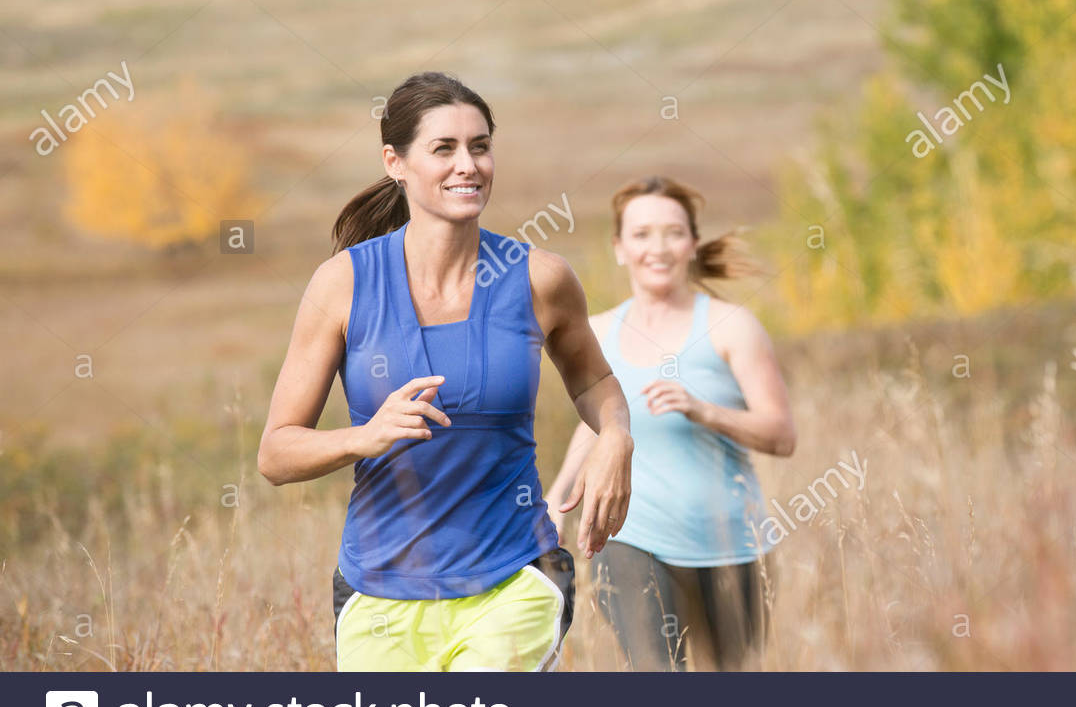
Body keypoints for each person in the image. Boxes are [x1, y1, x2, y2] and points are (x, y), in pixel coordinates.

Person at [258, 71, 634, 671]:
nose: (469, 165)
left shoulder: (540, 278)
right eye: (445, 148)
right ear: (395, 162)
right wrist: (366, 436)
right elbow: (276, 455)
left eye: (480, 146)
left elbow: (594, 383)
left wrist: (615, 437)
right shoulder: (343, 286)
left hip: (513, 578)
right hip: (380, 590)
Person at [544, 176, 796, 671]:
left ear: (693, 244)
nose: (656, 248)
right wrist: (556, 498)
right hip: (632, 541)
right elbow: (594, 425)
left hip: (732, 545)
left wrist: (703, 410)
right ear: (619, 248)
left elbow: (781, 434)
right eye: (641, 235)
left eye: (672, 233)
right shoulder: (600, 332)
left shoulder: (732, 326)